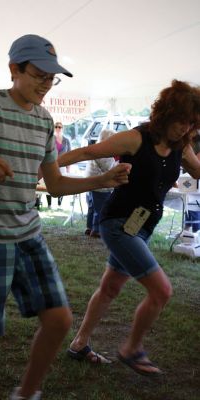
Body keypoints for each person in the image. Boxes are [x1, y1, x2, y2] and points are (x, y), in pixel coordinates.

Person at [0, 34, 131, 400]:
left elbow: (53, 184)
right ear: (14, 70)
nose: (46, 85)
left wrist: (101, 180)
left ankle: (25, 393)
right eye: (40, 75)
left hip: (28, 234)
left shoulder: (44, 121)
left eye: (51, 78)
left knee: (59, 320)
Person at [58, 79, 200, 375]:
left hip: (143, 227)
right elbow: (88, 152)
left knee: (110, 287)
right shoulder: (137, 139)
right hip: (118, 223)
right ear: (167, 113)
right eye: (182, 122)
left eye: (191, 124)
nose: (185, 129)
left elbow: (198, 170)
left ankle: (79, 343)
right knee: (162, 291)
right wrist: (47, 167)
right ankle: (132, 348)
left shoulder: (181, 146)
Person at [84, 129, 117, 238]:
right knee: (101, 208)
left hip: (90, 182)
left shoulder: (96, 148)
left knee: (92, 207)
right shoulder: (103, 151)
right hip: (100, 184)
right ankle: (96, 230)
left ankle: (89, 227)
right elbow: (109, 167)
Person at [46, 121, 71, 208]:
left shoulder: (67, 141)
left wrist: (68, 168)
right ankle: (49, 204)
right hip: (50, 164)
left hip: (63, 166)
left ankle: (59, 204)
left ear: (62, 128)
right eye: (56, 126)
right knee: (49, 182)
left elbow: (70, 154)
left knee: (61, 182)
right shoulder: (50, 139)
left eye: (59, 127)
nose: (57, 128)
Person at [184, 130, 200, 232]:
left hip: (194, 185)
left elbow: (197, 168)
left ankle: (194, 232)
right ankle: (188, 232)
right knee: (189, 205)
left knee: (193, 205)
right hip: (189, 182)